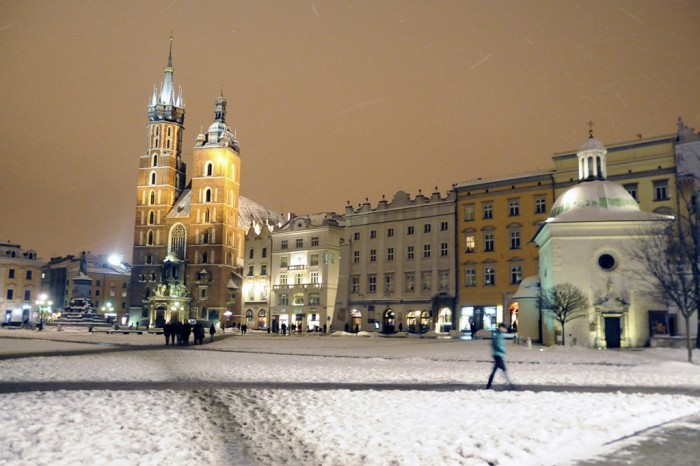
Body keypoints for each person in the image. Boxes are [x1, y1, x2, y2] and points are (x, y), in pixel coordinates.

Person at [486, 323, 515, 390]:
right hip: (498, 354)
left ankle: (489, 385)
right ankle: (510, 385)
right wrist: (502, 350)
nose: (506, 329)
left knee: (497, 370)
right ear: (501, 327)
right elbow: (495, 344)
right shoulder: (498, 335)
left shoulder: (499, 334)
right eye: (505, 328)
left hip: (498, 354)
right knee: (502, 370)